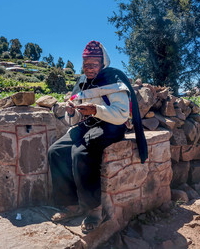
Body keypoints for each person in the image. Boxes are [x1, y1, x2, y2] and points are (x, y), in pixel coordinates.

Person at [48, 40, 148, 233]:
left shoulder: (113, 79)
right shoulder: (83, 83)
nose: (89, 68)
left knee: (81, 153)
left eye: (93, 64)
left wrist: (96, 109)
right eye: (86, 64)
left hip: (111, 126)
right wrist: (72, 111)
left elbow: (120, 114)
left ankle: (95, 211)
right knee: (56, 151)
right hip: (89, 124)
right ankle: (72, 206)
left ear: (103, 64)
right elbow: (77, 117)